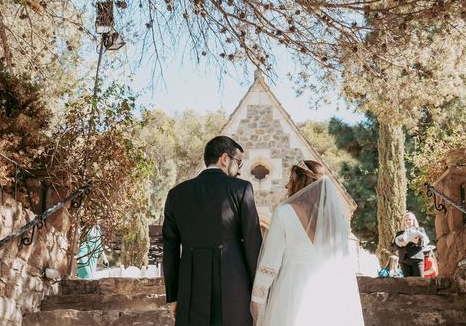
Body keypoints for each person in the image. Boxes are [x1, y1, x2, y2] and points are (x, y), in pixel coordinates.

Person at [162, 135, 263, 326]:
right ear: (225, 159)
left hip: (190, 288)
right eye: (238, 163)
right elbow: (253, 243)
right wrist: (258, 294)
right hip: (233, 286)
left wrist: (173, 297)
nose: (239, 171)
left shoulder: (176, 194)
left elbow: (170, 250)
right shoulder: (241, 189)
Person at [251, 160, 365, 326]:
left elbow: (270, 262)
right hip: (327, 290)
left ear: (301, 182)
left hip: (292, 289)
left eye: (291, 179)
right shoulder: (333, 219)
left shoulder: (283, 213)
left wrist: (257, 298)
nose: (287, 185)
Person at [392, 211, 430, 277]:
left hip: (417, 259)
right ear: (403, 222)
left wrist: (417, 242)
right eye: (406, 220)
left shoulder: (420, 230)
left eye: (409, 219)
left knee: (419, 281)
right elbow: (393, 246)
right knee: (407, 283)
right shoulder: (399, 233)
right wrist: (401, 244)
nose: (408, 221)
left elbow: (425, 242)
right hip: (404, 260)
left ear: (413, 220)